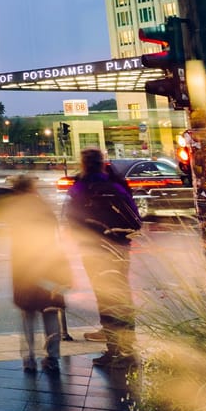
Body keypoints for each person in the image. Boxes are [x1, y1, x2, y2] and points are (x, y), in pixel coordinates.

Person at [65, 147, 142, 366]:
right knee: (123, 297)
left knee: (106, 299)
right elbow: (135, 221)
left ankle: (114, 350)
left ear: (83, 163)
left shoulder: (81, 188)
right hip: (120, 250)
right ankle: (128, 349)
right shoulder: (117, 186)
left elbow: (71, 220)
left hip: (95, 252)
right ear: (102, 163)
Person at [1, 174, 71, 374]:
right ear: (33, 189)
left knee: (27, 314)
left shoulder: (15, 210)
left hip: (24, 269)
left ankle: (28, 358)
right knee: (50, 311)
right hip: (48, 266)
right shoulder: (44, 207)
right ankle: (53, 357)